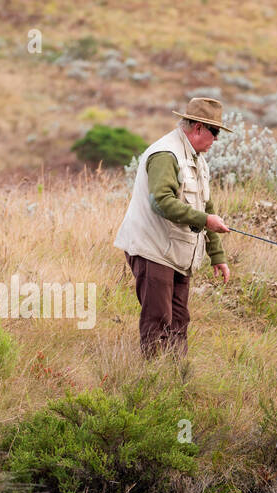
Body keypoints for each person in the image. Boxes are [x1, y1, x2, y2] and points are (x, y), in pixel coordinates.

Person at [113, 97, 234, 358]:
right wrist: (205, 221)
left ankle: (175, 381)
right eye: (214, 132)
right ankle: (154, 385)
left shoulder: (198, 159)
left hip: (176, 253)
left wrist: (217, 255)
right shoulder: (166, 154)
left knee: (179, 321)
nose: (216, 139)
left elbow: (206, 207)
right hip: (152, 249)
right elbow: (161, 202)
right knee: (158, 320)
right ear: (198, 127)